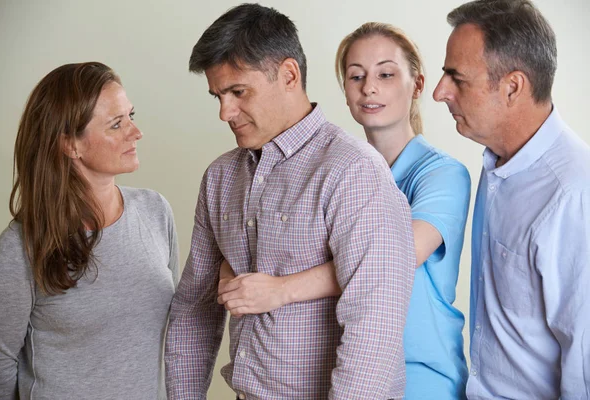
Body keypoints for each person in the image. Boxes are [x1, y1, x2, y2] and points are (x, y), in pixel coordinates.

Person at [165, 4, 416, 400]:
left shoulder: (353, 171)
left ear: (288, 75)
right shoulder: (220, 177)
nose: (224, 112)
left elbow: (374, 328)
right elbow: (194, 310)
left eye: (238, 92)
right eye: (218, 95)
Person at [217, 22, 471, 400]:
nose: (369, 87)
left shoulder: (442, 174)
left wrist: (279, 290)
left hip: (419, 374)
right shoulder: (334, 171)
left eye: (386, 74)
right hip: (345, 369)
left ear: (417, 85)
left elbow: (389, 258)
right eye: (356, 76)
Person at [0, 62, 179, 400]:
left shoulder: (155, 212)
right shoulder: (18, 250)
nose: (136, 133)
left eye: (131, 116)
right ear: (70, 145)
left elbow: (175, 332)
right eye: (116, 124)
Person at [433, 0, 590, 398]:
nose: (439, 92)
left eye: (457, 78)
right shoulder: (498, 161)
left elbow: (584, 365)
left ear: (513, 87)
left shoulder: (573, 195)